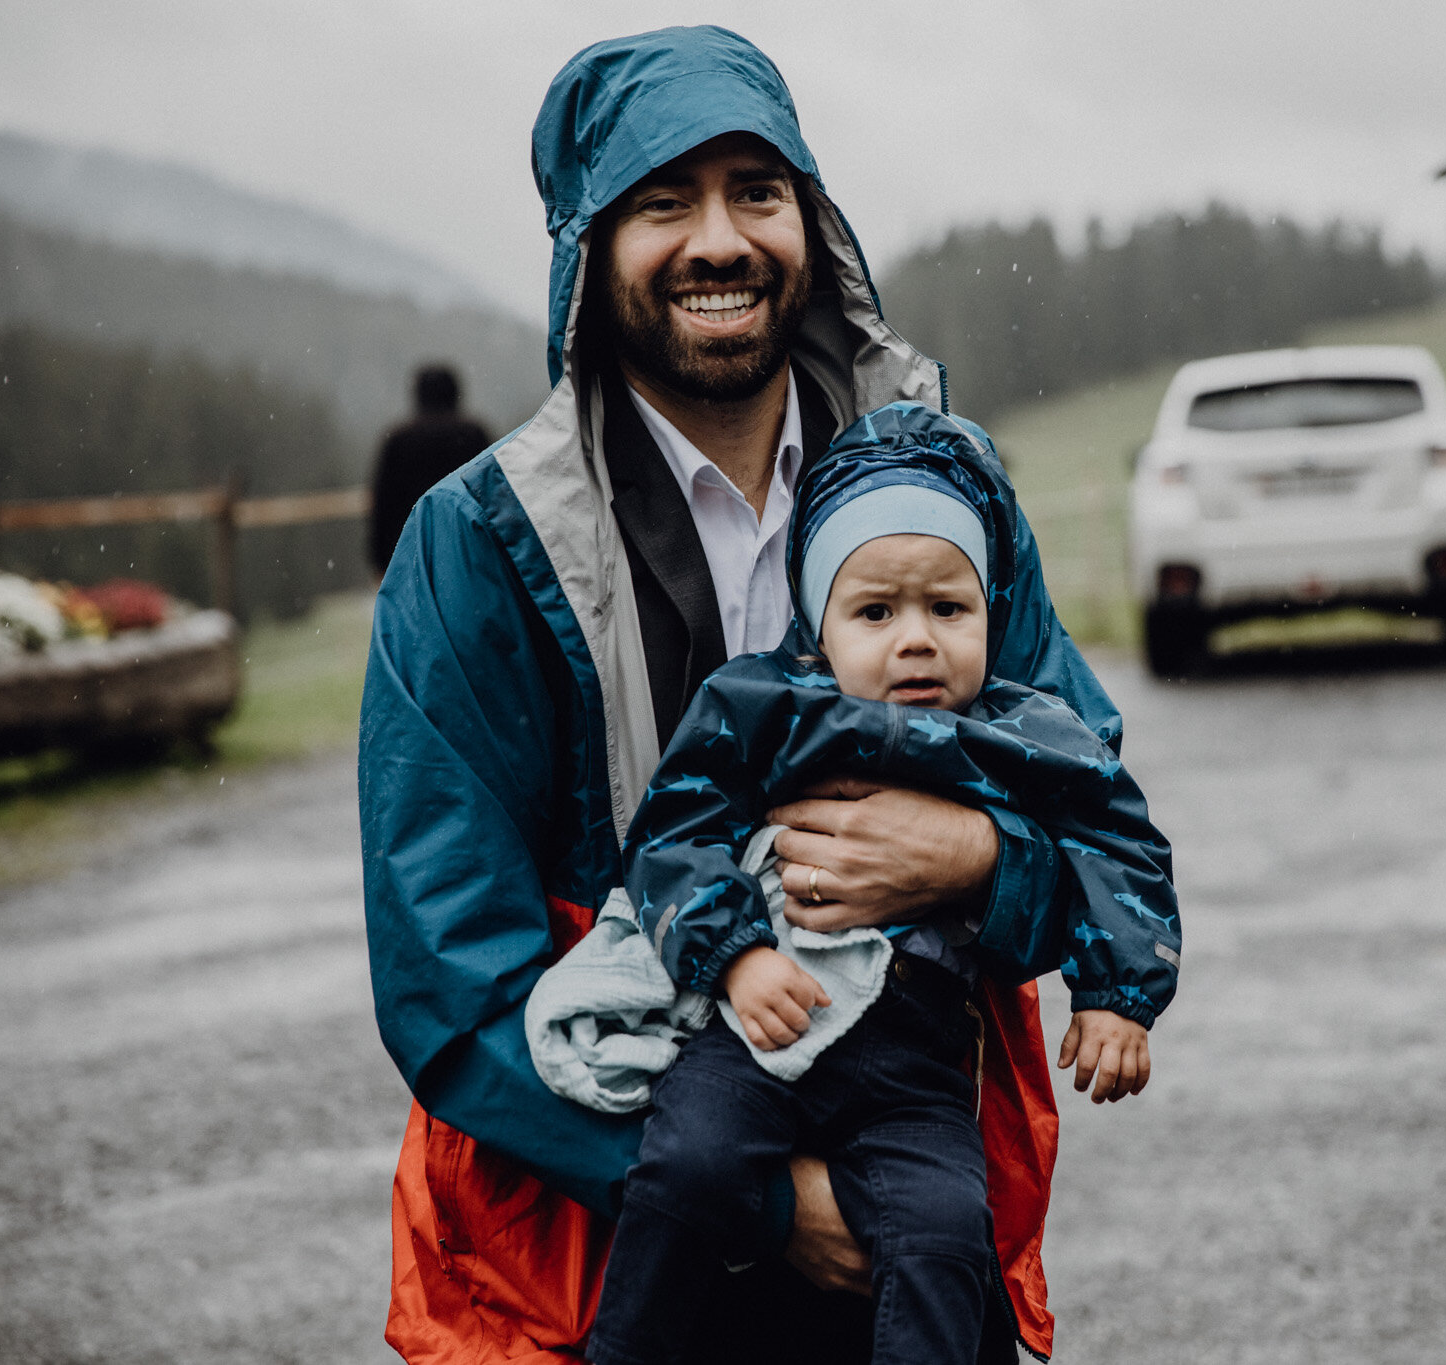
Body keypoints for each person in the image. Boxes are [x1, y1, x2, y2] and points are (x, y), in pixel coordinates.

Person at [360, 26, 1121, 1365]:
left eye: (756, 193)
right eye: (663, 202)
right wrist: (771, 1204)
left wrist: (978, 855)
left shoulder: (945, 495)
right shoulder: (477, 548)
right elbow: (449, 980)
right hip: (604, 1252)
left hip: (912, 1237)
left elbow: (1093, 806)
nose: (720, 240)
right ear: (587, 251)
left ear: (813, 225)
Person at [523, 404, 1179, 1365]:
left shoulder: (1029, 731)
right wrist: (734, 955)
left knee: (949, 1230)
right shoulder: (767, 704)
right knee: (689, 1164)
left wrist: (1119, 994)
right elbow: (675, 828)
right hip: (765, 1025)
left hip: (917, 1061)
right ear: (817, 625)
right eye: (876, 611)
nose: (916, 640)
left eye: (948, 610)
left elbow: (1121, 845)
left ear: (992, 615)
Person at [367, 364, 490, 575]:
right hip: (469, 555)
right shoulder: (474, 436)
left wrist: (380, 559)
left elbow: (383, 505)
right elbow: (493, 496)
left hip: (412, 556)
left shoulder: (398, 441)